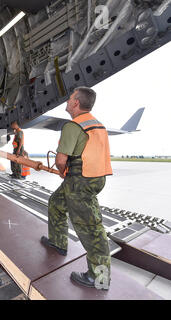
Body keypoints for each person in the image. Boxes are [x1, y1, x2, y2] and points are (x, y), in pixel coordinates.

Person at [40, 87, 113, 290]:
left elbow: (61, 160)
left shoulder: (73, 126)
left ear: (75, 103)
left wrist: (64, 171)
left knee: (91, 230)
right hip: (94, 177)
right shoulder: (97, 125)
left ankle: (99, 278)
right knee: (56, 203)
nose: (67, 100)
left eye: (70, 97)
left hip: (80, 182)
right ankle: (58, 242)